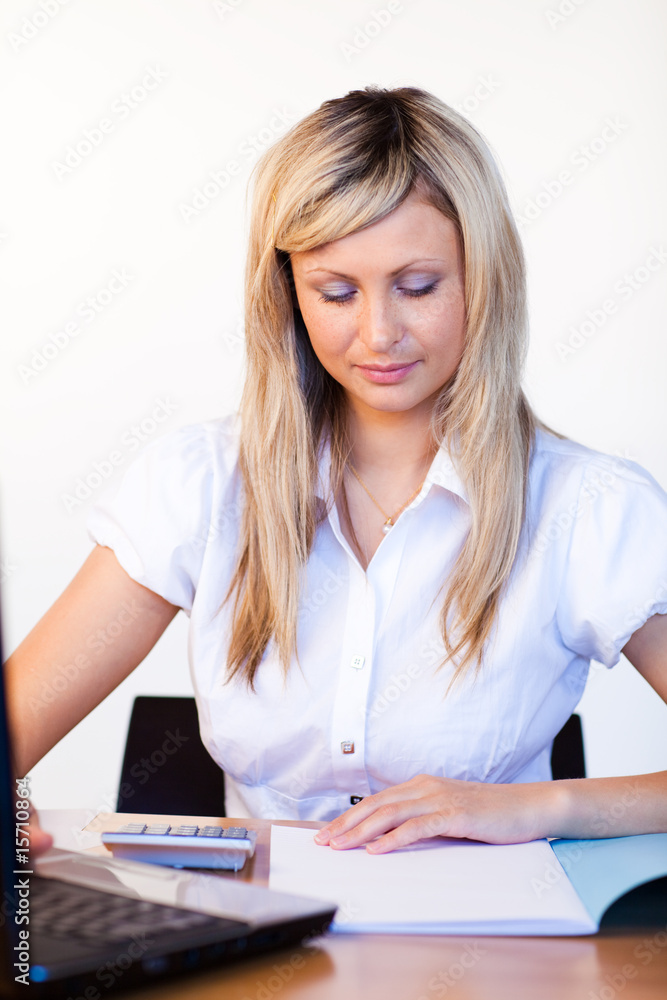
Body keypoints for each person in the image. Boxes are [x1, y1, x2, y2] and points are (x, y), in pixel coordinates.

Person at [7, 86, 667, 860]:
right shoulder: (198, 483)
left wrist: (530, 805)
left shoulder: (589, 507)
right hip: (253, 955)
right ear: (288, 292)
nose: (378, 333)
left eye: (418, 286)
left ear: (483, 280)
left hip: (491, 951)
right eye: (336, 291)